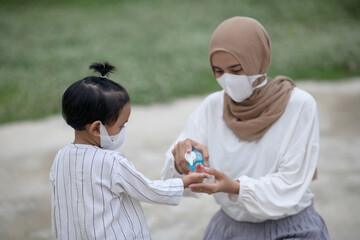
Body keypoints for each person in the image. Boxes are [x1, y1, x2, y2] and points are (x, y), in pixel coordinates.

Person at [161, 17, 330, 239]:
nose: (227, 80)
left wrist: (236, 187)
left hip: (291, 230)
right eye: (218, 71)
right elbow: (175, 176)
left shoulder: (298, 106)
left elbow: (291, 182)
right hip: (230, 228)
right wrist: (180, 159)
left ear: (259, 60)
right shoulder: (212, 106)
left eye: (236, 70)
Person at [50, 62, 209, 240]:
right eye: (121, 125)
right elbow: (149, 190)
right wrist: (184, 182)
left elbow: (59, 205)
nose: (123, 130)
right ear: (96, 129)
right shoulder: (111, 162)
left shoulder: (61, 157)